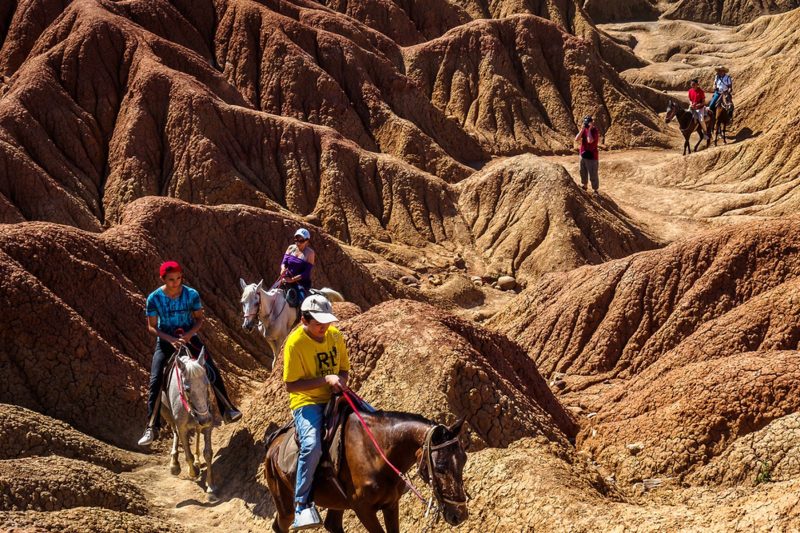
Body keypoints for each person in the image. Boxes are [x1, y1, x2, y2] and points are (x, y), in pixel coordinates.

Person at [138, 261, 242, 447]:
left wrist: (187, 336)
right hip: (166, 342)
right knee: (155, 380)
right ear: (163, 279)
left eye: (178, 278)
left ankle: (227, 408)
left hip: (189, 338)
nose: (176, 282)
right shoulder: (154, 298)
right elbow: (151, 327)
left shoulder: (191, 294)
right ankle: (152, 426)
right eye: (171, 279)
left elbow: (199, 319)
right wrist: (169, 339)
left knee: (211, 369)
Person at [282, 294, 350, 530]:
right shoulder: (295, 343)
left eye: (327, 322)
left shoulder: (335, 335)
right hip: (307, 401)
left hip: (335, 396)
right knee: (311, 445)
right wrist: (325, 379)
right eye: (319, 323)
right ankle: (301, 504)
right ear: (304, 320)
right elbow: (291, 385)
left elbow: (343, 369)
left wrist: (341, 381)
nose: (325, 327)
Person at [280, 228, 316, 306]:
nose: (298, 242)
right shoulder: (290, 248)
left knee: (300, 302)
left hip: (300, 283)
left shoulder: (310, 253)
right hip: (285, 279)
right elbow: (284, 262)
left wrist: (292, 280)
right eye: (296, 239)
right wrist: (283, 269)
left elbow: (306, 273)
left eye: (301, 240)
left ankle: (302, 316)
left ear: (307, 241)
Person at [574, 115, 602, 194]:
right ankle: (585, 185)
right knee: (582, 171)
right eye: (585, 122)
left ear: (592, 123)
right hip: (583, 154)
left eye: (588, 123)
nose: (586, 124)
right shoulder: (584, 130)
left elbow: (590, 141)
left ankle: (595, 190)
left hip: (592, 156)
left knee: (593, 174)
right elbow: (576, 139)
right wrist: (582, 129)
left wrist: (589, 130)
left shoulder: (594, 131)